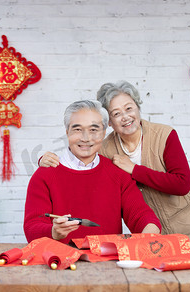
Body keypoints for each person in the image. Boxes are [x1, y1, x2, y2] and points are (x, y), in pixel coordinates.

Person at [39, 81, 190, 241]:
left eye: (129, 109)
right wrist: (44, 161)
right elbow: (81, 159)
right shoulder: (105, 148)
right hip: (148, 232)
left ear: (138, 108)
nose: (125, 117)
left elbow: (182, 185)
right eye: (116, 113)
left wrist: (134, 169)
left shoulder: (164, 135)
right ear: (109, 122)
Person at [24, 100, 161, 244]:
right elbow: (31, 228)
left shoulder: (118, 174)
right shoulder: (44, 175)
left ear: (103, 133)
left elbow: (140, 215)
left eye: (93, 130)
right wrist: (53, 232)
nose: (86, 138)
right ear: (67, 132)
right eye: (77, 129)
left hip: (107, 263)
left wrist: (150, 232)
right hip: (60, 263)